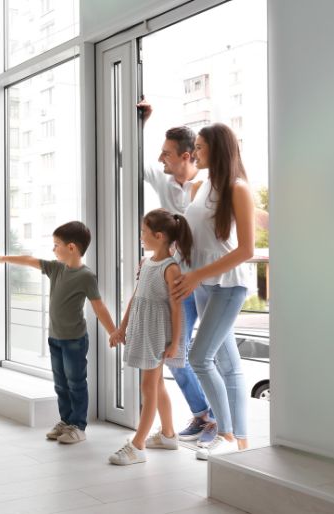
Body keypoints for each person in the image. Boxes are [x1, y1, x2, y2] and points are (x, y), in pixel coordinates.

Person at [0, 221, 116, 444]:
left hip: (74, 340)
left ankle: (78, 426)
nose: (53, 249)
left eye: (56, 245)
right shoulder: (56, 268)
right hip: (55, 338)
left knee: (76, 382)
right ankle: (65, 421)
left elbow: (99, 306)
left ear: (72, 248)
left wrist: (113, 331)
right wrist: (3, 258)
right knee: (60, 383)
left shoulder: (86, 276)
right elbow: (29, 260)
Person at [171, 123, 255, 460]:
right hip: (202, 282)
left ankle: (225, 433)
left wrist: (196, 276)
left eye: (201, 147)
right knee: (227, 361)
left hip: (228, 284)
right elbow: (193, 240)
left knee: (199, 357)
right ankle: (241, 440)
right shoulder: (201, 187)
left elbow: (246, 249)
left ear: (217, 149)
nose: (196, 152)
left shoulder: (238, 189)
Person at [137, 99, 216, 446]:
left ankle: (219, 422)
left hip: (209, 282)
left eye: (168, 153)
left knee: (208, 356)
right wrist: (141, 121)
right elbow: (137, 161)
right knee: (175, 355)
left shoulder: (209, 187)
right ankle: (203, 416)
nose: (161, 159)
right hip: (177, 282)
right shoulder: (163, 182)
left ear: (188, 156)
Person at [108, 208, 194, 465]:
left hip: (158, 335)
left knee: (147, 387)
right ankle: (168, 435)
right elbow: (136, 298)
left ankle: (138, 445)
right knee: (156, 385)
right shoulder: (146, 263)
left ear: (158, 235)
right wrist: (121, 328)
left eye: (144, 232)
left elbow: (177, 308)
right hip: (141, 329)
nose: (141, 236)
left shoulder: (170, 269)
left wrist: (176, 342)